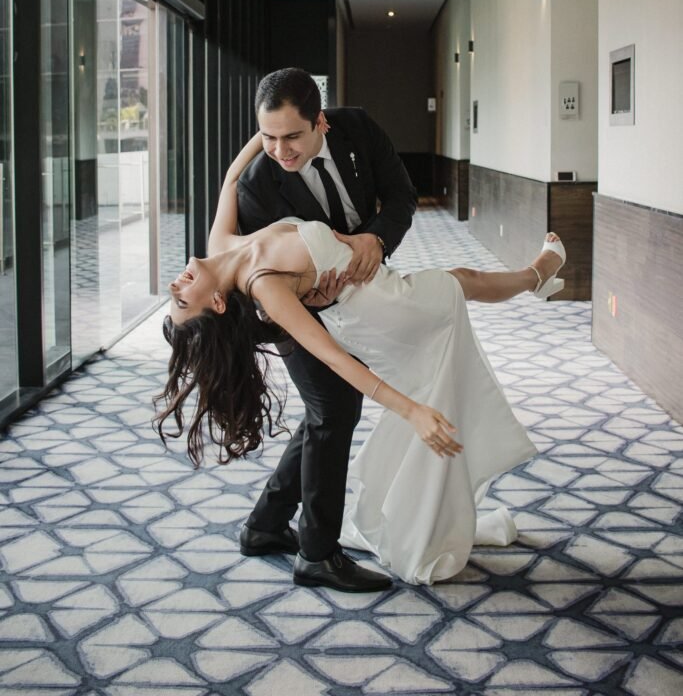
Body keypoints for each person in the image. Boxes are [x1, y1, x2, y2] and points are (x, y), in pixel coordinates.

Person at [157, 128, 567, 586]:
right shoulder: (265, 286)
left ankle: (536, 277)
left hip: (377, 288)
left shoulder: (222, 245)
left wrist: (266, 132)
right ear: (216, 303)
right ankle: (537, 274)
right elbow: (335, 359)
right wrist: (411, 411)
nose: (175, 285)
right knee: (460, 283)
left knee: (460, 282)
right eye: (181, 300)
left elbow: (232, 178)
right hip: (381, 309)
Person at [204, 68, 418, 593]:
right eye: (268, 137)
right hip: (285, 306)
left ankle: (264, 525)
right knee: (334, 408)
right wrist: (312, 294)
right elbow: (270, 280)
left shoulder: (357, 129)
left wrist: (375, 240)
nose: (280, 151)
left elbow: (401, 198)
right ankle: (317, 554)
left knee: (330, 409)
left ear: (320, 121)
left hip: (357, 288)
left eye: (292, 136)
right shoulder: (258, 185)